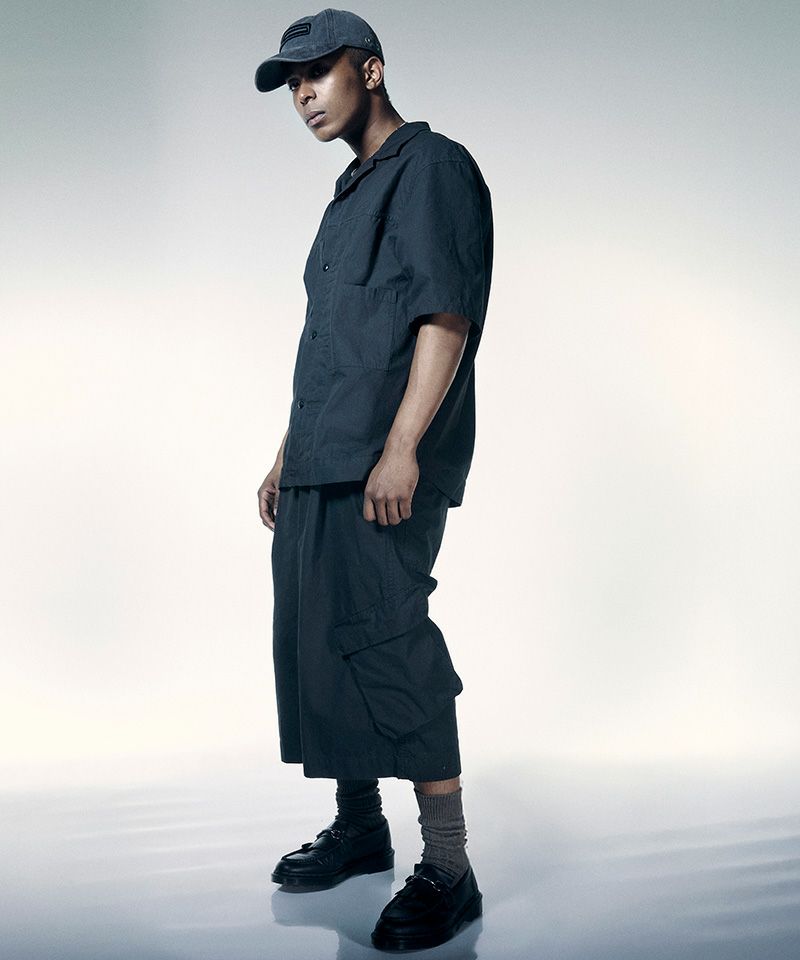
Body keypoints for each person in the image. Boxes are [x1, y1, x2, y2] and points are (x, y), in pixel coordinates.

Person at [254, 8, 493, 952]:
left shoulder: (432, 169)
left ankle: (450, 867)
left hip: (383, 466)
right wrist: (289, 451)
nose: (304, 96)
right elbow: (331, 341)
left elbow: (444, 317)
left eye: (317, 74)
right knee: (318, 644)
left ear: (372, 70)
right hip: (324, 459)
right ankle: (361, 828)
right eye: (292, 85)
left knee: (389, 644)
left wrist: (402, 447)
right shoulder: (347, 194)